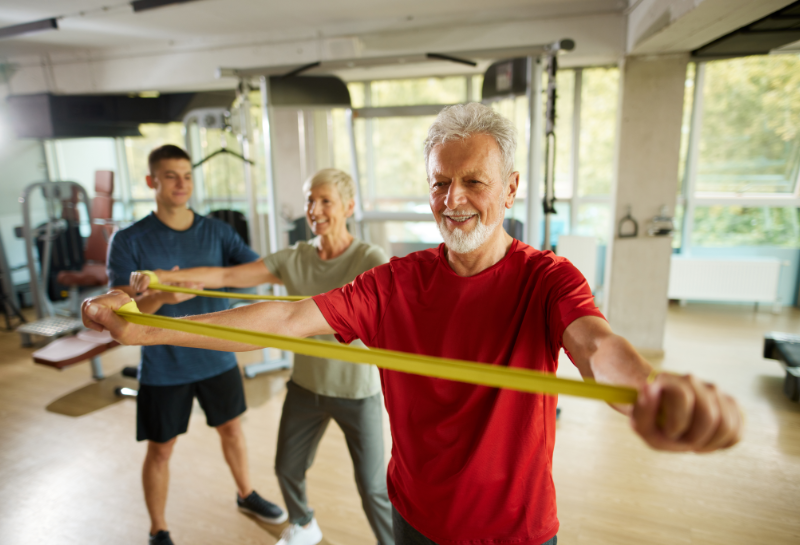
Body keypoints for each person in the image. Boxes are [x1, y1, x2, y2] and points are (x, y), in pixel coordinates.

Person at [86, 105, 742, 545]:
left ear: (511, 188)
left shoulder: (546, 277)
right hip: (416, 519)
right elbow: (285, 316)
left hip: (515, 529)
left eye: (473, 182)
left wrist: (647, 389)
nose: (453, 201)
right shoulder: (398, 279)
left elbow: (598, 347)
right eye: (439, 183)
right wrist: (146, 330)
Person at [130, 168, 393, 545]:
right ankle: (303, 523)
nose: (314, 209)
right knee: (287, 468)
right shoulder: (296, 257)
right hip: (306, 387)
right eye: (309, 200)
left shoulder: (369, 257)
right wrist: (163, 277)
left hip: (357, 392)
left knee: (372, 489)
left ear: (349, 206)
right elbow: (228, 276)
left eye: (325, 200)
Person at [106, 145, 286, 545]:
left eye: (187, 175)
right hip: (165, 364)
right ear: (152, 181)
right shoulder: (129, 240)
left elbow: (255, 274)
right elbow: (121, 313)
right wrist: (161, 297)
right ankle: (158, 530)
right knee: (161, 450)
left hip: (216, 357)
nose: (181, 184)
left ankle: (246, 494)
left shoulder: (218, 232)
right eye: (170, 176)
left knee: (232, 431)